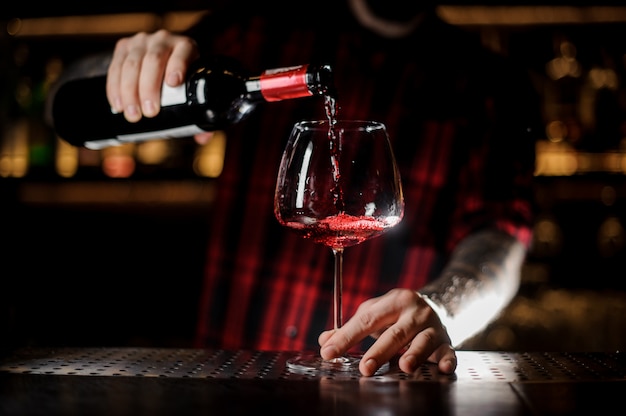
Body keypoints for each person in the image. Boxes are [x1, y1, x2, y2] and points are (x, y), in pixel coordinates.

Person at [99, 0, 541, 377]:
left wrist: (443, 307)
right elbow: (72, 100)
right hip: (229, 385)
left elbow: (500, 238)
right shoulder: (252, 31)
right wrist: (125, 66)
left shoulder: (491, 87)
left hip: (381, 390)